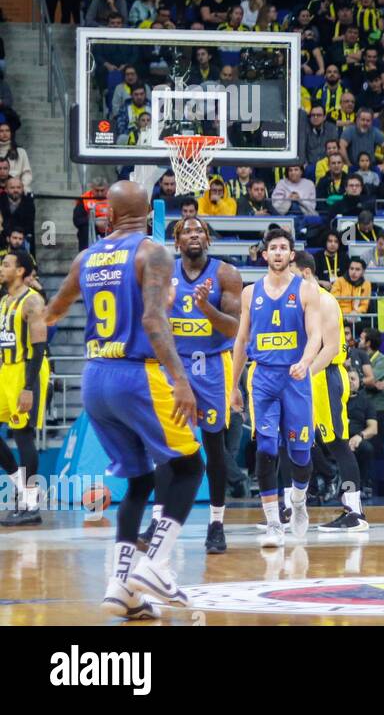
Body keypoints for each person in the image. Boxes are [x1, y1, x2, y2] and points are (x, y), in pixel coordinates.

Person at [45, 181, 202, 620]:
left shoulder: (86, 258)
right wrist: (180, 380)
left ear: (108, 216)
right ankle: (154, 565)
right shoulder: (151, 252)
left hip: (94, 377)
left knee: (139, 481)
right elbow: (154, 318)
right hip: (137, 374)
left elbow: (53, 313)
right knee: (190, 466)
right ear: (149, 213)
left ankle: (121, 587)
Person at [141, 219, 241, 553]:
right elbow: (151, 324)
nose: (193, 235)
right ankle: (158, 519)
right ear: (177, 241)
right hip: (176, 367)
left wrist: (205, 308)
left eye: (199, 231)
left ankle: (216, 523)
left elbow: (233, 330)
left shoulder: (225, 274)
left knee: (215, 448)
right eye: (187, 231)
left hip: (213, 367)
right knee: (165, 448)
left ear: (208, 239)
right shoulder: (163, 275)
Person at [228, 228, 324, 548]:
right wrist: (233, 386)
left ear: (291, 255)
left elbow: (315, 336)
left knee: (299, 453)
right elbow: (241, 341)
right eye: (274, 248)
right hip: (264, 377)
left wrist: (306, 361)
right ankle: (273, 523)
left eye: (284, 247)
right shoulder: (249, 293)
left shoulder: (307, 290)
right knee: (266, 448)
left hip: (295, 378)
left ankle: (298, 502)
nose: (279, 252)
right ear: (265, 255)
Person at [294, 254, 367, 532]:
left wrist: (305, 374)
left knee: (338, 442)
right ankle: (292, 506)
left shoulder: (324, 300)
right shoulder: (302, 301)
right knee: (297, 441)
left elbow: (332, 349)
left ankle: (355, 512)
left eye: (292, 271)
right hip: (309, 375)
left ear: (305, 272)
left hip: (326, 376)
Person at [0, 252, 48, 528]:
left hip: (25, 370)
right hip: (6, 369)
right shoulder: (5, 300)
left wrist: (28, 387)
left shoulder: (31, 301)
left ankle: (31, 505)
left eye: (6, 264)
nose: (2, 268)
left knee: (23, 435)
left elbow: (39, 347)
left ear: (20, 271)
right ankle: (22, 485)